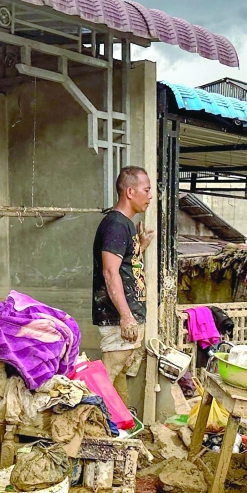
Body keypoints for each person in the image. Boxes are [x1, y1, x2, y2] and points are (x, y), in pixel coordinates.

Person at [92, 166, 155, 404]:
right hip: (118, 317)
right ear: (130, 191)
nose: (150, 196)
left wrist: (139, 246)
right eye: (146, 190)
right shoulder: (115, 225)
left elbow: (124, 264)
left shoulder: (124, 225)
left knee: (117, 378)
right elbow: (110, 272)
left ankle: (120, 424)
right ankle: (86, 425)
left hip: (124, 315)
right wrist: (126, 316)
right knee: (108, 375)